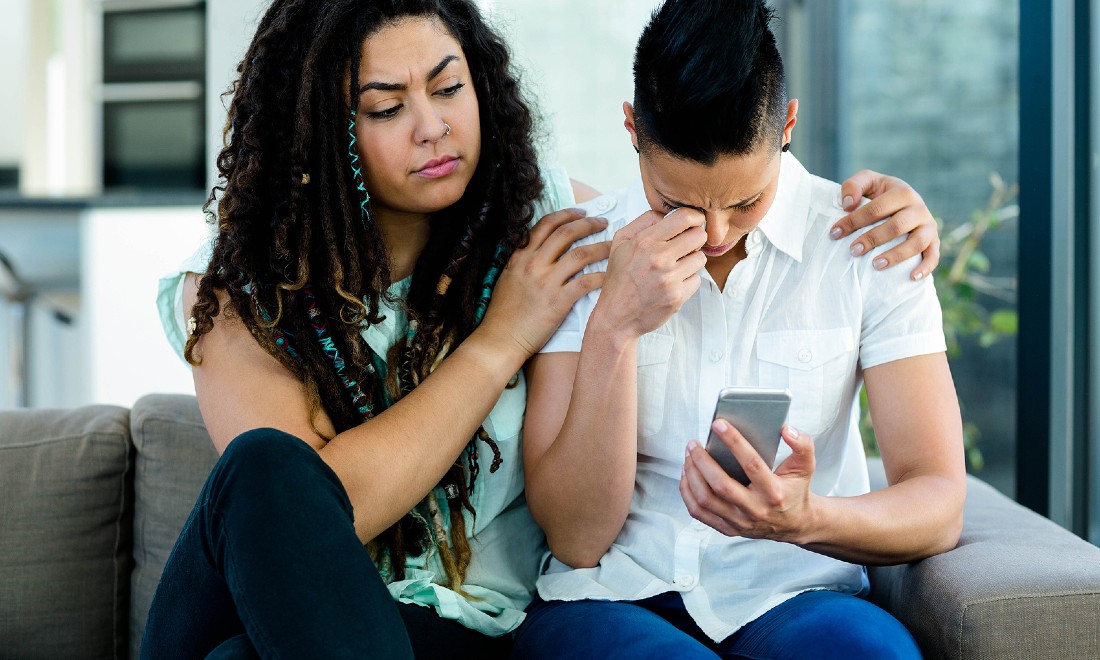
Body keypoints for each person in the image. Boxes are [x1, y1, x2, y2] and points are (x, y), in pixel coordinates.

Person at [144, 0, 945, 657]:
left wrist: (895, 211)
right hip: (327, 605)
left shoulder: (552, 224)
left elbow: (697, 185)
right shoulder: (240, 289)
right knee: (262, 470)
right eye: (387, 107)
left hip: (477, 629)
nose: (432, 128)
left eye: (449, 89)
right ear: (318, 131)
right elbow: (311, 514)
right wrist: (505, 339)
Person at [516, 1, 965, 659]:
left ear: (788, 124)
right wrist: (615, 325)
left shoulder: (871, 244)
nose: (717, 233)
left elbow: (939, 500)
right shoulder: (584, 250)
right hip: (612, 597)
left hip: (797, 595)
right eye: (676, 202)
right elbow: (577, 538)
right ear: (632, 128)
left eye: (745, 201)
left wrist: (807, 519)